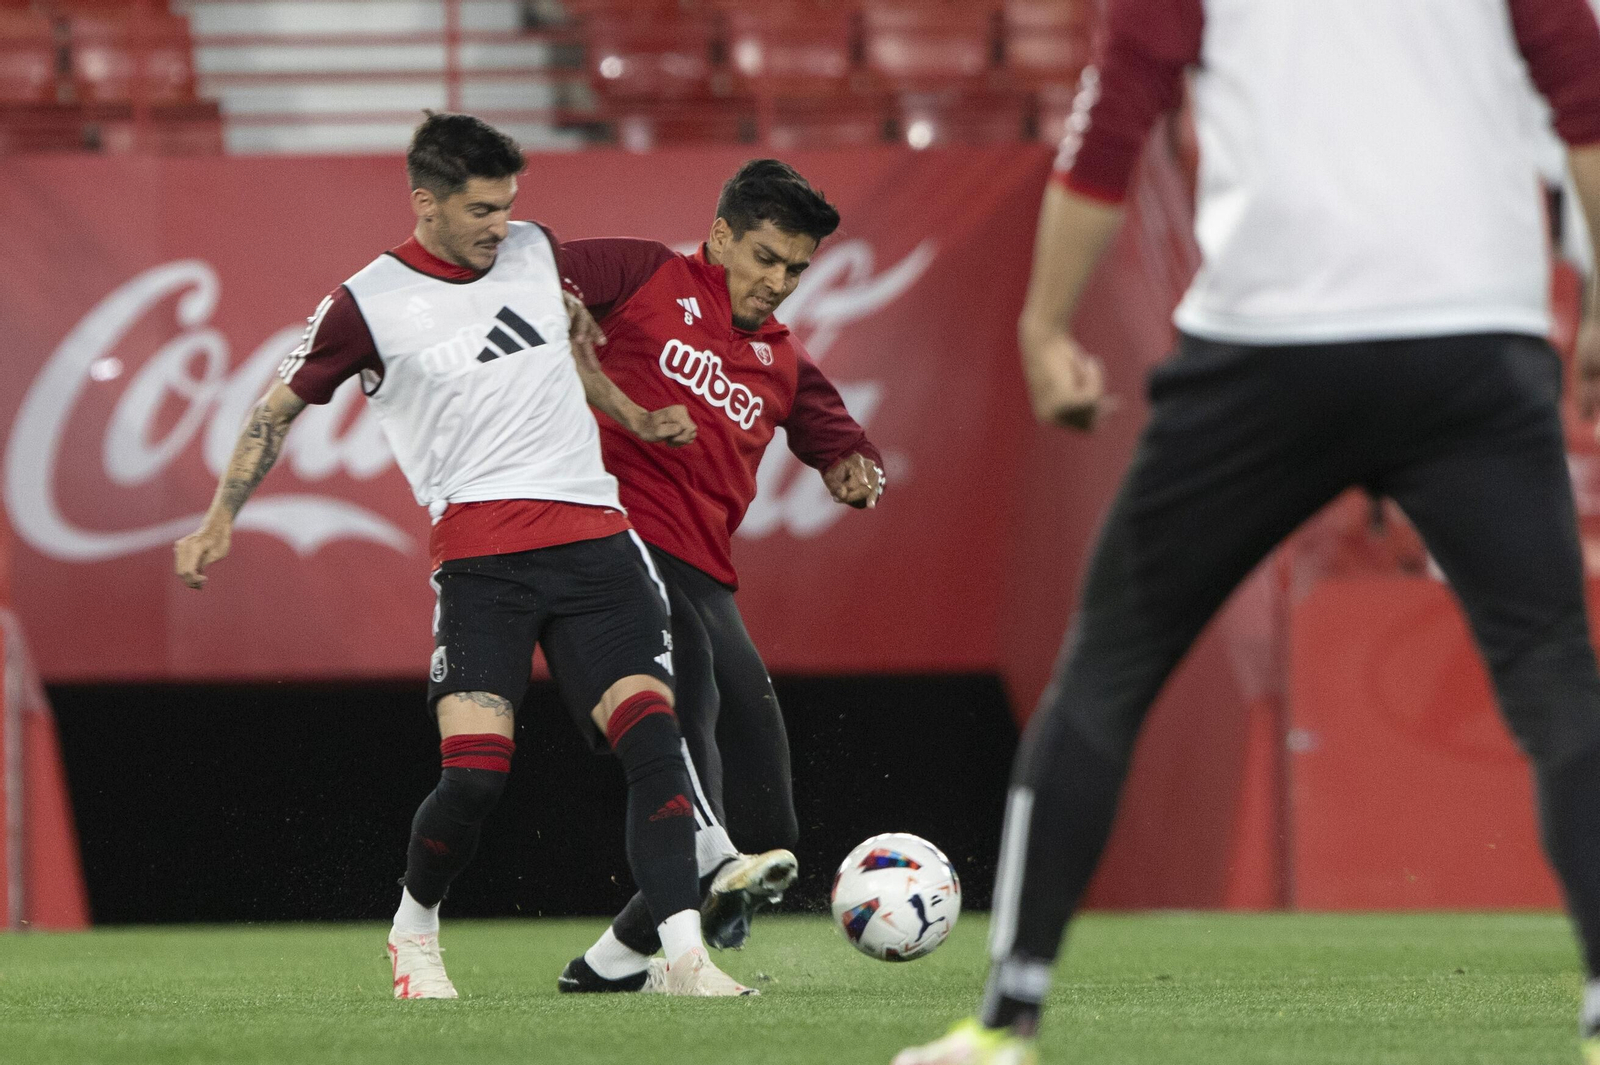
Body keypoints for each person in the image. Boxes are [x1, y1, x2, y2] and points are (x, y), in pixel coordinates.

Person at [895, 0, 1600, 1061]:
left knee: (1107, 670)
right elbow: (1584, 95)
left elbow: (1114, 120)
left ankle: (1007, 1020)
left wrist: (1045, 324)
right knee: (1555, 685)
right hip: (1471, 340)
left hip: (1269, 348)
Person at [173, 112, 757, 1000]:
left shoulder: (532, 249)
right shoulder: (365, 302)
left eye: (509, 204)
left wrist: (635, 421)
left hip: (599, 546)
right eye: (483, 209)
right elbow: (274, 411)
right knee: (477, 778)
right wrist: (220, 516)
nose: (502, 224)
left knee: (654, 741)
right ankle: (414, 929)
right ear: (427, 204)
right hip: (486, 565)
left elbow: (571, 349)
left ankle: (683, 958)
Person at [552, 159, 885, 992]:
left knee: (770, 820)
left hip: (703, 570)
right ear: (722, 234)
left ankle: (613, 963)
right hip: (608, 541)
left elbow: (836, 435)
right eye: (766, 257)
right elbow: (523, 265)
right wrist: (548, 299)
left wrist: (855, 466)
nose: (779, 282)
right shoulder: (641, 272)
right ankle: (694, 914)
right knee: (686, 701)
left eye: (796, 268)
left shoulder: (782, 358)